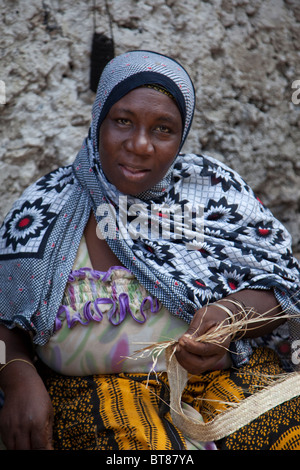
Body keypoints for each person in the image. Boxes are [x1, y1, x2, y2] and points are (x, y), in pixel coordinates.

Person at [0, 50, 300, 451]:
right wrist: (17, 377)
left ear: (182, 135)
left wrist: (229, 319)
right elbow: (4, 317)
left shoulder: (213, 192)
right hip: (92, 392)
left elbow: (282, 289)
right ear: (98, 122)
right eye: (123, 121)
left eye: (163, 129)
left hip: (219, 382)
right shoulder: (45, 208)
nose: (140, 145)